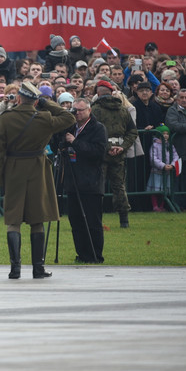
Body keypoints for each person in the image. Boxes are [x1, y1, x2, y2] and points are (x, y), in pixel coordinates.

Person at [0, 81, 75, 280]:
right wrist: (46, 103)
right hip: (38, 169)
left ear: (19, 98)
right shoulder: (44, 117)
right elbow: (69, 117)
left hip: (13, 169)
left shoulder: (6, 118)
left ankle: (15, 268)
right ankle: (38, 268)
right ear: (35, 100)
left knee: (13, 220)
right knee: (37, 219)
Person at [62, 98, 108, 263]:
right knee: (76, 221)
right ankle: (82, 254)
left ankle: (95, 255)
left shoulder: (98, 128)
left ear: (89, 110)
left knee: (92, 222)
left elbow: (98, 152)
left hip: (91, 182)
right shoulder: (70, 127)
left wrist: (76, 143)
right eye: (75, 110)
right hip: (73, 181)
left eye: (80, 110)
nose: (77, 113)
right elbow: (58, 145)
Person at [91, 80, 138, 228]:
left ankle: (95, 217)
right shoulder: (123, 109)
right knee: (119, 187)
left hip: (101, 153)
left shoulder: (94, 110)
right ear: (112, 92)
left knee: (98, 187)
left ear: (98, 94)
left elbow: (91, 132)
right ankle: (124, 220)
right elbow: (132, 131)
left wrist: (107, 147)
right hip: (118, 152)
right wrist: (122, 147)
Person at [147, 125, 179, 212]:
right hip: (157, 171)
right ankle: (155, 206)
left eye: (167, 134)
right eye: (163, 133)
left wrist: (172, 165)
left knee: (165, 189)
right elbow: (153, 158)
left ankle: (162, 205)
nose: (165, 135)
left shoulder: (170, 145)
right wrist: (163, 165)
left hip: (167, 171)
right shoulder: (155, 145)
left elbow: (176, 156)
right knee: (155, 189)